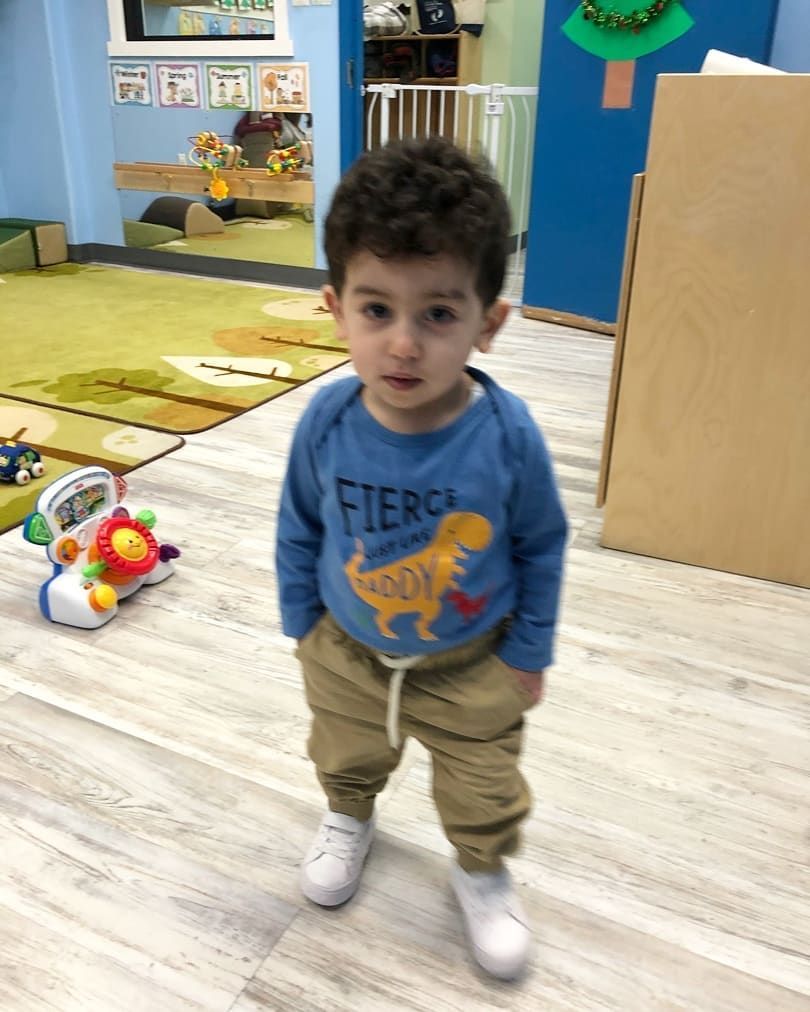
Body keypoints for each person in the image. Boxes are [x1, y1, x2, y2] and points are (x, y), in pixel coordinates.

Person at [276, 137, 567, 980]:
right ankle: (349, 816)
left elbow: (542, 543)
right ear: (335, 308)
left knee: (485, 786)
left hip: (473, 663)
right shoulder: (326, 424)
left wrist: (530, 649)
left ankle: (480, 869)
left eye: (438, 314)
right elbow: (299, 524)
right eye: (377, 310)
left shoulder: (506, 437)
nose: (403, 343)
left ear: (489, 322)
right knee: (343, 750)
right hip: (349, 650)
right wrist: (303, 622)